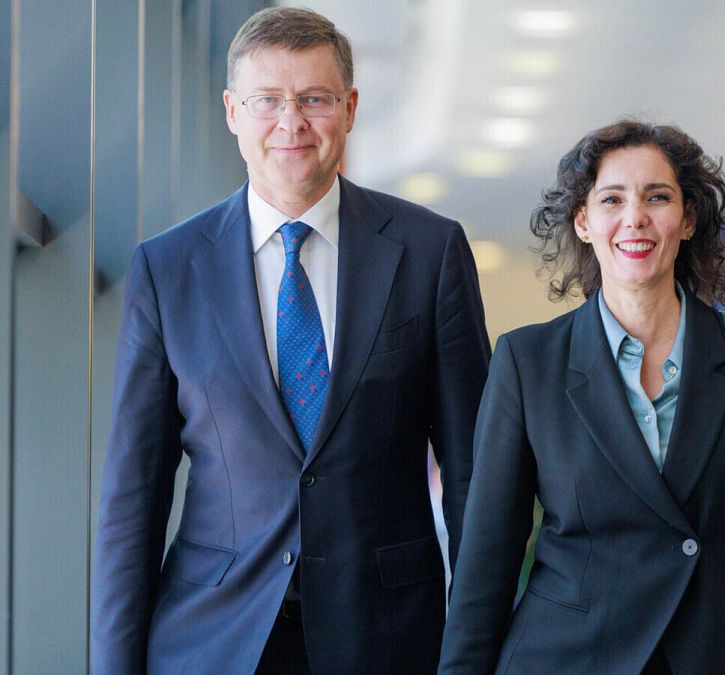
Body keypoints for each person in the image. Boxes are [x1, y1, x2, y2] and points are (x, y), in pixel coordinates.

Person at [90, 7, 490, 673]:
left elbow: (477, 473)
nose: (291, 122)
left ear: (351, 107)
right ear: (230, 111)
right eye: (267, 100)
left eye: (315, 99)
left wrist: (475, 651)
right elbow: (133, 501)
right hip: (212, 639)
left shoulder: (429, 253)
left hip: (389, 638)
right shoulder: (167, 270)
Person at [438, 120, 725, 674]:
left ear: (689, 219)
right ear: (583, 221)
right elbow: (486, 565)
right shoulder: (528, 363)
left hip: (714, 658)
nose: (635, 218)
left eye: (658, 197)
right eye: (612, 199)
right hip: (569, 658)